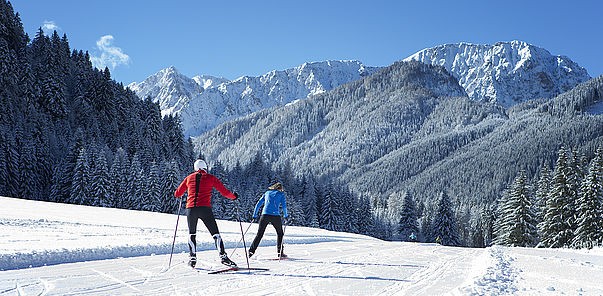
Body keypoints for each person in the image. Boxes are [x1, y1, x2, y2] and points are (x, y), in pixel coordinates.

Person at [174, 159, 238, 268]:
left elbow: (177, 193)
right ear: (205, 167)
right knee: (215, 234)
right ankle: (223, 257)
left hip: (191, 209)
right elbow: (224, 192)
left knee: (192, 234)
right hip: (205, 209)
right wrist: (234, 197)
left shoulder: (189, 178)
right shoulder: (210, 178)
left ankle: (192, 258)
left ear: (195, 168)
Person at [248, 182, 289, 259]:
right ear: (280, 188)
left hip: (265, 215)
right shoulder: (281, 194)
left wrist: (254, 215)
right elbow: (284, 206)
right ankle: (280, 252)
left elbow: (258, 204)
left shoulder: (267, 193)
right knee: (280, 233)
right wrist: (286, 215)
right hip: (275, 216)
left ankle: (251, 251)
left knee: (259, 234)